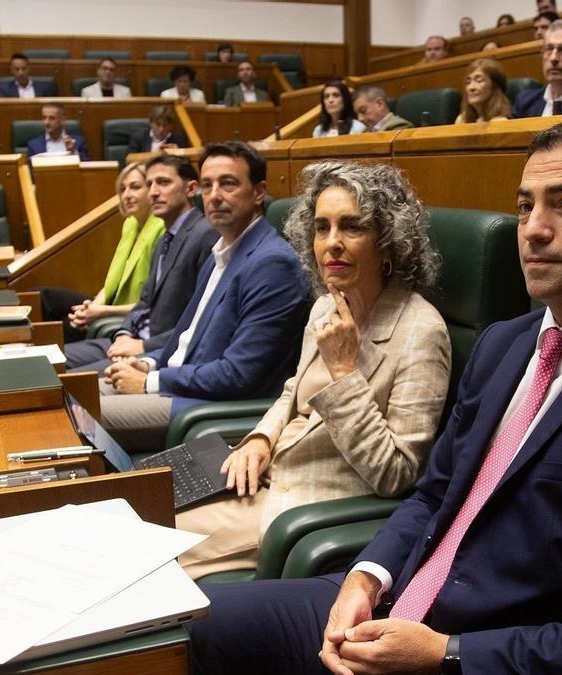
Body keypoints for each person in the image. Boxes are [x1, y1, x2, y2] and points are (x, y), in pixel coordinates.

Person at [186, 117, 562, 675]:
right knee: (179, 628)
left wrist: (445, 654)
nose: (534, 230)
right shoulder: (505, 343)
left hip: (480, 647)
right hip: (392, 596)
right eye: (526, 207)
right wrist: (366, 575)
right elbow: (432, 496)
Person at [176, 161, 450, 580]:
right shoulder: (327, 303)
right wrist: (260, 439)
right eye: (322, 228)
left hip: (302, 513)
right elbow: (292, 393)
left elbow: (395, 473)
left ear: (389, 241)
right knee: (133, 509)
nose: (332, 243)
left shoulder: (421, 331)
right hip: (260, 478)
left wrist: (343, 371)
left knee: (143, 558)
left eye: (352, 227)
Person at [98, 142, 307, 454]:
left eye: (228, 183)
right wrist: (146, 363)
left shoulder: (271, 263)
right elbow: (185, 337)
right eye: (207, 185)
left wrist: (151, 381)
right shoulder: (219, 253)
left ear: (259, 192)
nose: (214, 196)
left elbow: (240, 375)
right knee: (75, 394)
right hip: (176, 382)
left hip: (204, 405)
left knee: (81, 416)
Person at [62, 154, 219, 369]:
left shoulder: (205, 236)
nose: (153, 192)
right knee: (46, 362)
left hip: (159, 351)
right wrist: (124, 334)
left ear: (190, 189)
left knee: (72, 382)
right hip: (132, 340)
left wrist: (142, 345)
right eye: (149, 184)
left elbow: (201, 320)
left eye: (163, 183)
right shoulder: (166, 237)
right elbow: (144, 303)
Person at [48, 162, 168, 344]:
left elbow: (152, 303)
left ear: (152, 189)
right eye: (122, 189)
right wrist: (93, 307)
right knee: (44, 297)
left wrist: (99, 312)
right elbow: (114, 282)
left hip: (130, 311)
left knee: (64, 328)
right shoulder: (130, 224)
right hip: (114, 301)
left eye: (135, 187)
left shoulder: (162, 230)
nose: (126, 195)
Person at [25, 103, 89, 160]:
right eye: (44, 118)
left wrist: (73, 151)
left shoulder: (79, 142)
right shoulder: (33, 145)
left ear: (63, 120)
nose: (46, 122)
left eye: (52, 118)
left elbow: (86, 167)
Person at [456, 58, 511, 123]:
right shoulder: (461, 120)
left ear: (494, 85)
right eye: (468, 82)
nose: (471, 87)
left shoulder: (500, 122)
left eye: (479, 81)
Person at [127, 105, 191, 154]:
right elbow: (129, 160)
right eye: (158, 124)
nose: (161, 129)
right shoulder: (138, 137)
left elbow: (186, 165)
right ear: (151, 123)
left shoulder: (179, 139)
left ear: (171, 125)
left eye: (165, 125)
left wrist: (178, 153)